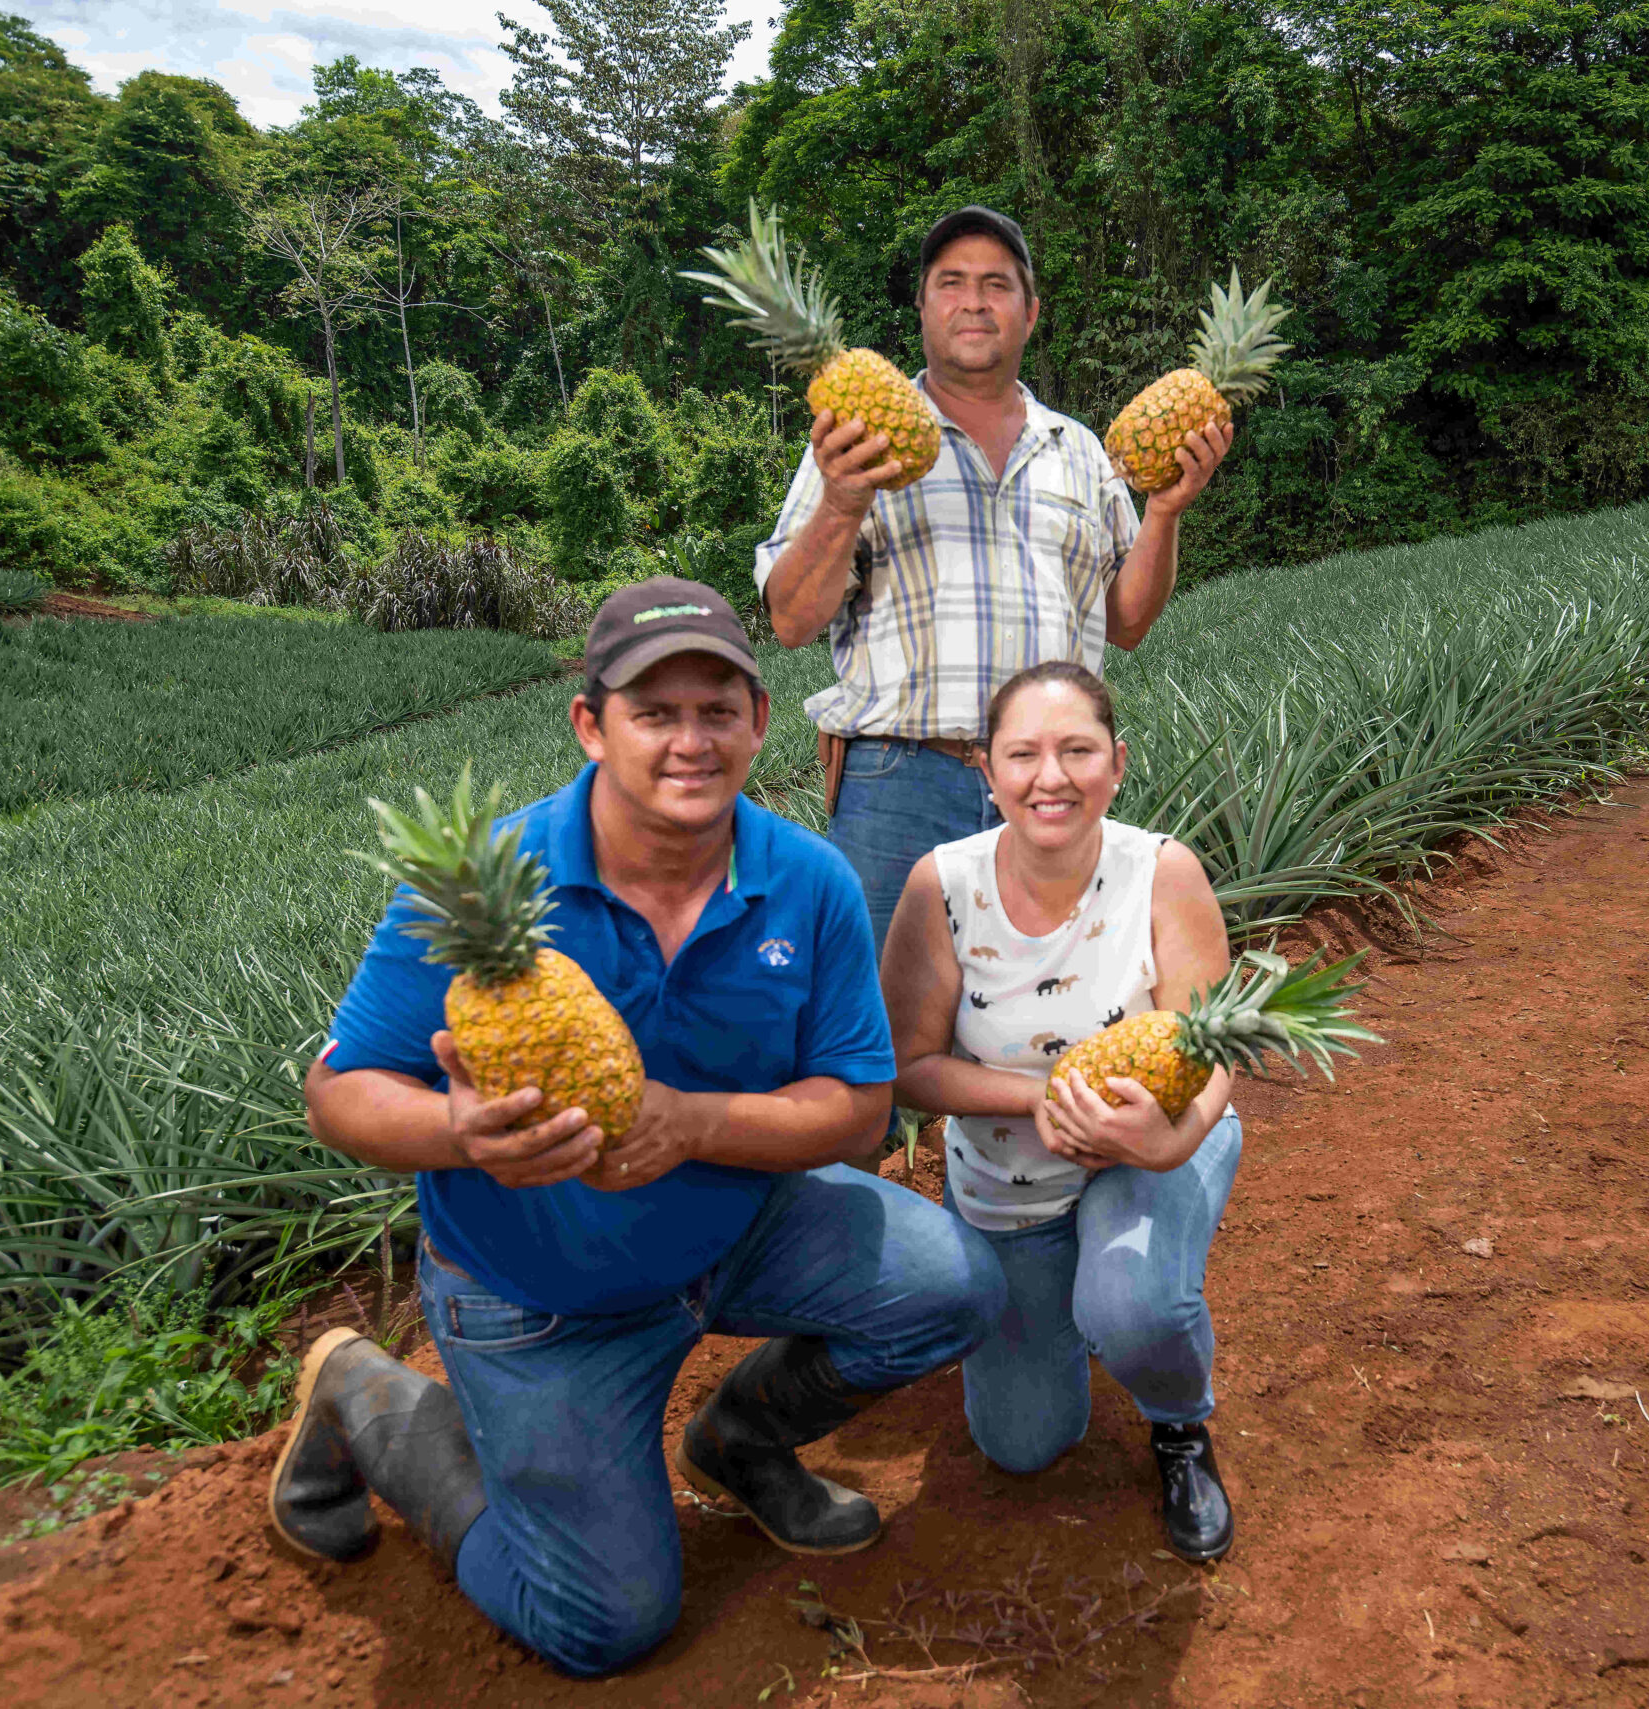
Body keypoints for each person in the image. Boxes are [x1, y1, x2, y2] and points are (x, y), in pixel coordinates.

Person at [270, 580, 1005, 1678]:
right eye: (653, 712)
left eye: (718, 709)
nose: (690, 740)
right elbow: (340, 1092)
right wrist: (462, 1130)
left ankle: (741, 1439)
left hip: (736, 1234)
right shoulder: (487, 882)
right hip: (539, 1299)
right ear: (589, 724)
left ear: (762, 720)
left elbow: (857, 1109)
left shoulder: (806, 880)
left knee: (953, 1281)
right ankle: (367, 1396)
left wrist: (692, 1120)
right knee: (601, 1623)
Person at [754, 205, 1233, 948]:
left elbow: (1128, 622)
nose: (973, 300)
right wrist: (844, 499)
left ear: (1031, 311)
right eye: (950, 282)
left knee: (1051, 1014)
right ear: (921, 306)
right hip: (901, 784)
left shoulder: (1077, 449)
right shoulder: (859, 439)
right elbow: (791, 620)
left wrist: (1166, 511)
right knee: (882, 1027)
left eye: (996, 284)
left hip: (1054, 784)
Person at [878, 660, 1242, 1561]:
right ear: (987, 770)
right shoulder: (942, 885)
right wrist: (1042, 1095)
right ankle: (1068, 1301)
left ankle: (1177, 1422)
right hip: (1012, 1180)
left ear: (1116, 763)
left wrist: (1174, 1139)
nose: (1053, 776)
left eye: (1078, 750)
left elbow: (1219, 1043)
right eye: (1025, 754)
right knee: (1022, 1443)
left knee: (1135, 1305)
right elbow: (909, 1067)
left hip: (1143, 1152)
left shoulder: (1163, 870)